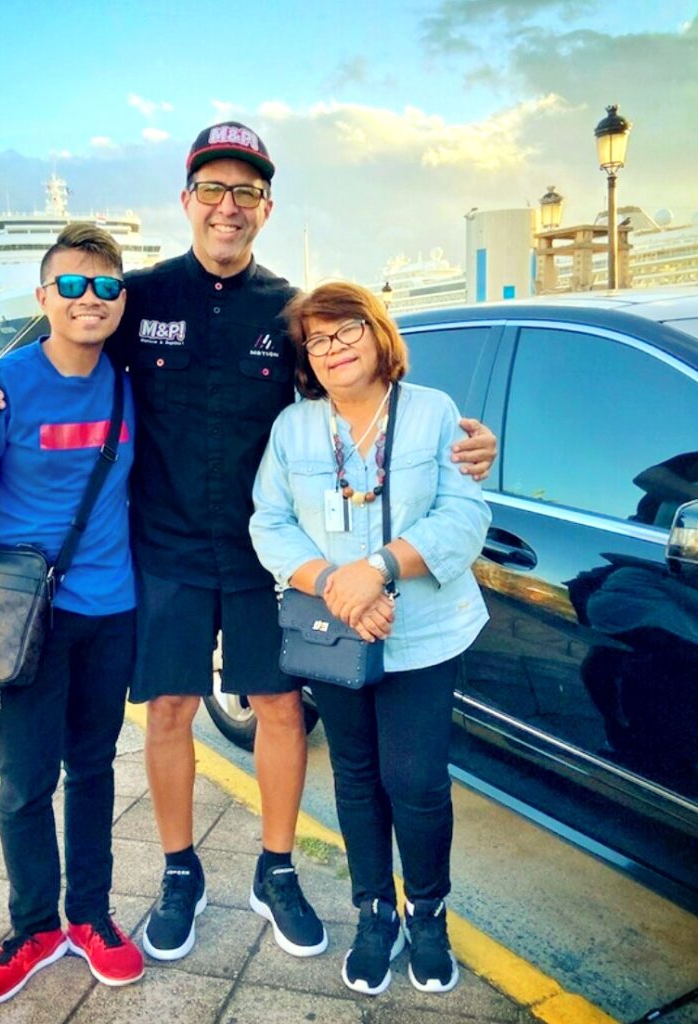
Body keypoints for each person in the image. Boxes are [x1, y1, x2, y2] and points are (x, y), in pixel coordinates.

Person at [0, 122, 497, 966]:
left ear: (265, 208)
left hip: (263, 558)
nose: (227, 207)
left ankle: (276, 871)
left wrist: (464, 437)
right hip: (157, 553)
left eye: (245, 192)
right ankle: (178, 873)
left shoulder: (287, 310)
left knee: (280, 709)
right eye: (213, 189)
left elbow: (365, 395)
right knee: (167, 711)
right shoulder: (141, 297)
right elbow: (64, 346)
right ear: (187, 201)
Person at [249, 281, 491, 998]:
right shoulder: (294, 429)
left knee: (414, 782)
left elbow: (463, 515)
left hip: (424, 631)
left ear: (377, 333)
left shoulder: (432, 413)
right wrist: (333, 583)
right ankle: (373, 911)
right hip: (333, 634)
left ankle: (427, 911)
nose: (331, 349)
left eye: (345, 330)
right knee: (353, 776)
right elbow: (269, 521)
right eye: (316, 340)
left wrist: (379, 568)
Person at [0, 223, 144, 1006]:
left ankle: (89, 917)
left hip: (110, 613)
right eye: (74, 285)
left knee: (92, 770)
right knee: (25, 779)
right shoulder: (0, 386)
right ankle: (32, 928)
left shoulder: (130, 379)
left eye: (106, 286)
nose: (91, 299)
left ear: (121, 299)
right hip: (23, 620)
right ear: (44, 297)